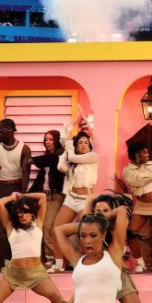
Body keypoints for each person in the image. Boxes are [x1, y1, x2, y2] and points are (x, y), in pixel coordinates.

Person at [50, 115, 99, 271]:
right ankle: (58, 264)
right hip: (71, 198)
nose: (83, 145)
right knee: (56, 230)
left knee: (86, 233)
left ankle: (88, 263)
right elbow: (61, 166)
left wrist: (70, 148)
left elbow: (72, 154)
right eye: (80, 143)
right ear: (76, 146)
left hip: (85, 200)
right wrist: (76, 119)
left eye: (86, 142)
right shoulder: (72, 162)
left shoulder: (93, 157)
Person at [0, 119, 30, 271]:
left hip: (16, 187)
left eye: (0, 131)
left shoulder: (24, 149)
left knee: (16, 224)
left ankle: (15, 262)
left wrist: (22, 194)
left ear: (10, 130)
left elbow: (26, 173)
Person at [121, 140, 152, 273]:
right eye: (144, 152)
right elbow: (136, 181)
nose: (148, 154)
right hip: (142, 206)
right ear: (137, 154)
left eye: (148, 152)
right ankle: (140, 263)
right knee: (130, 234)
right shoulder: (127, 170)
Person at [29, 129, 66, 271]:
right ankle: (42, 259)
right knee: (39, 227)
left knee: (48, 227)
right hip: (43, 197)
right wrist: (26, 195)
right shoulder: (47, 158)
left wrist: (32, 160)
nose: (48, 142)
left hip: (54, 196)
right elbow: (39, 181)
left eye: (51, 139)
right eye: (46, 140)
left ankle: (52, 259)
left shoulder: (60, 155)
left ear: (57, 140)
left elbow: (52, 159)